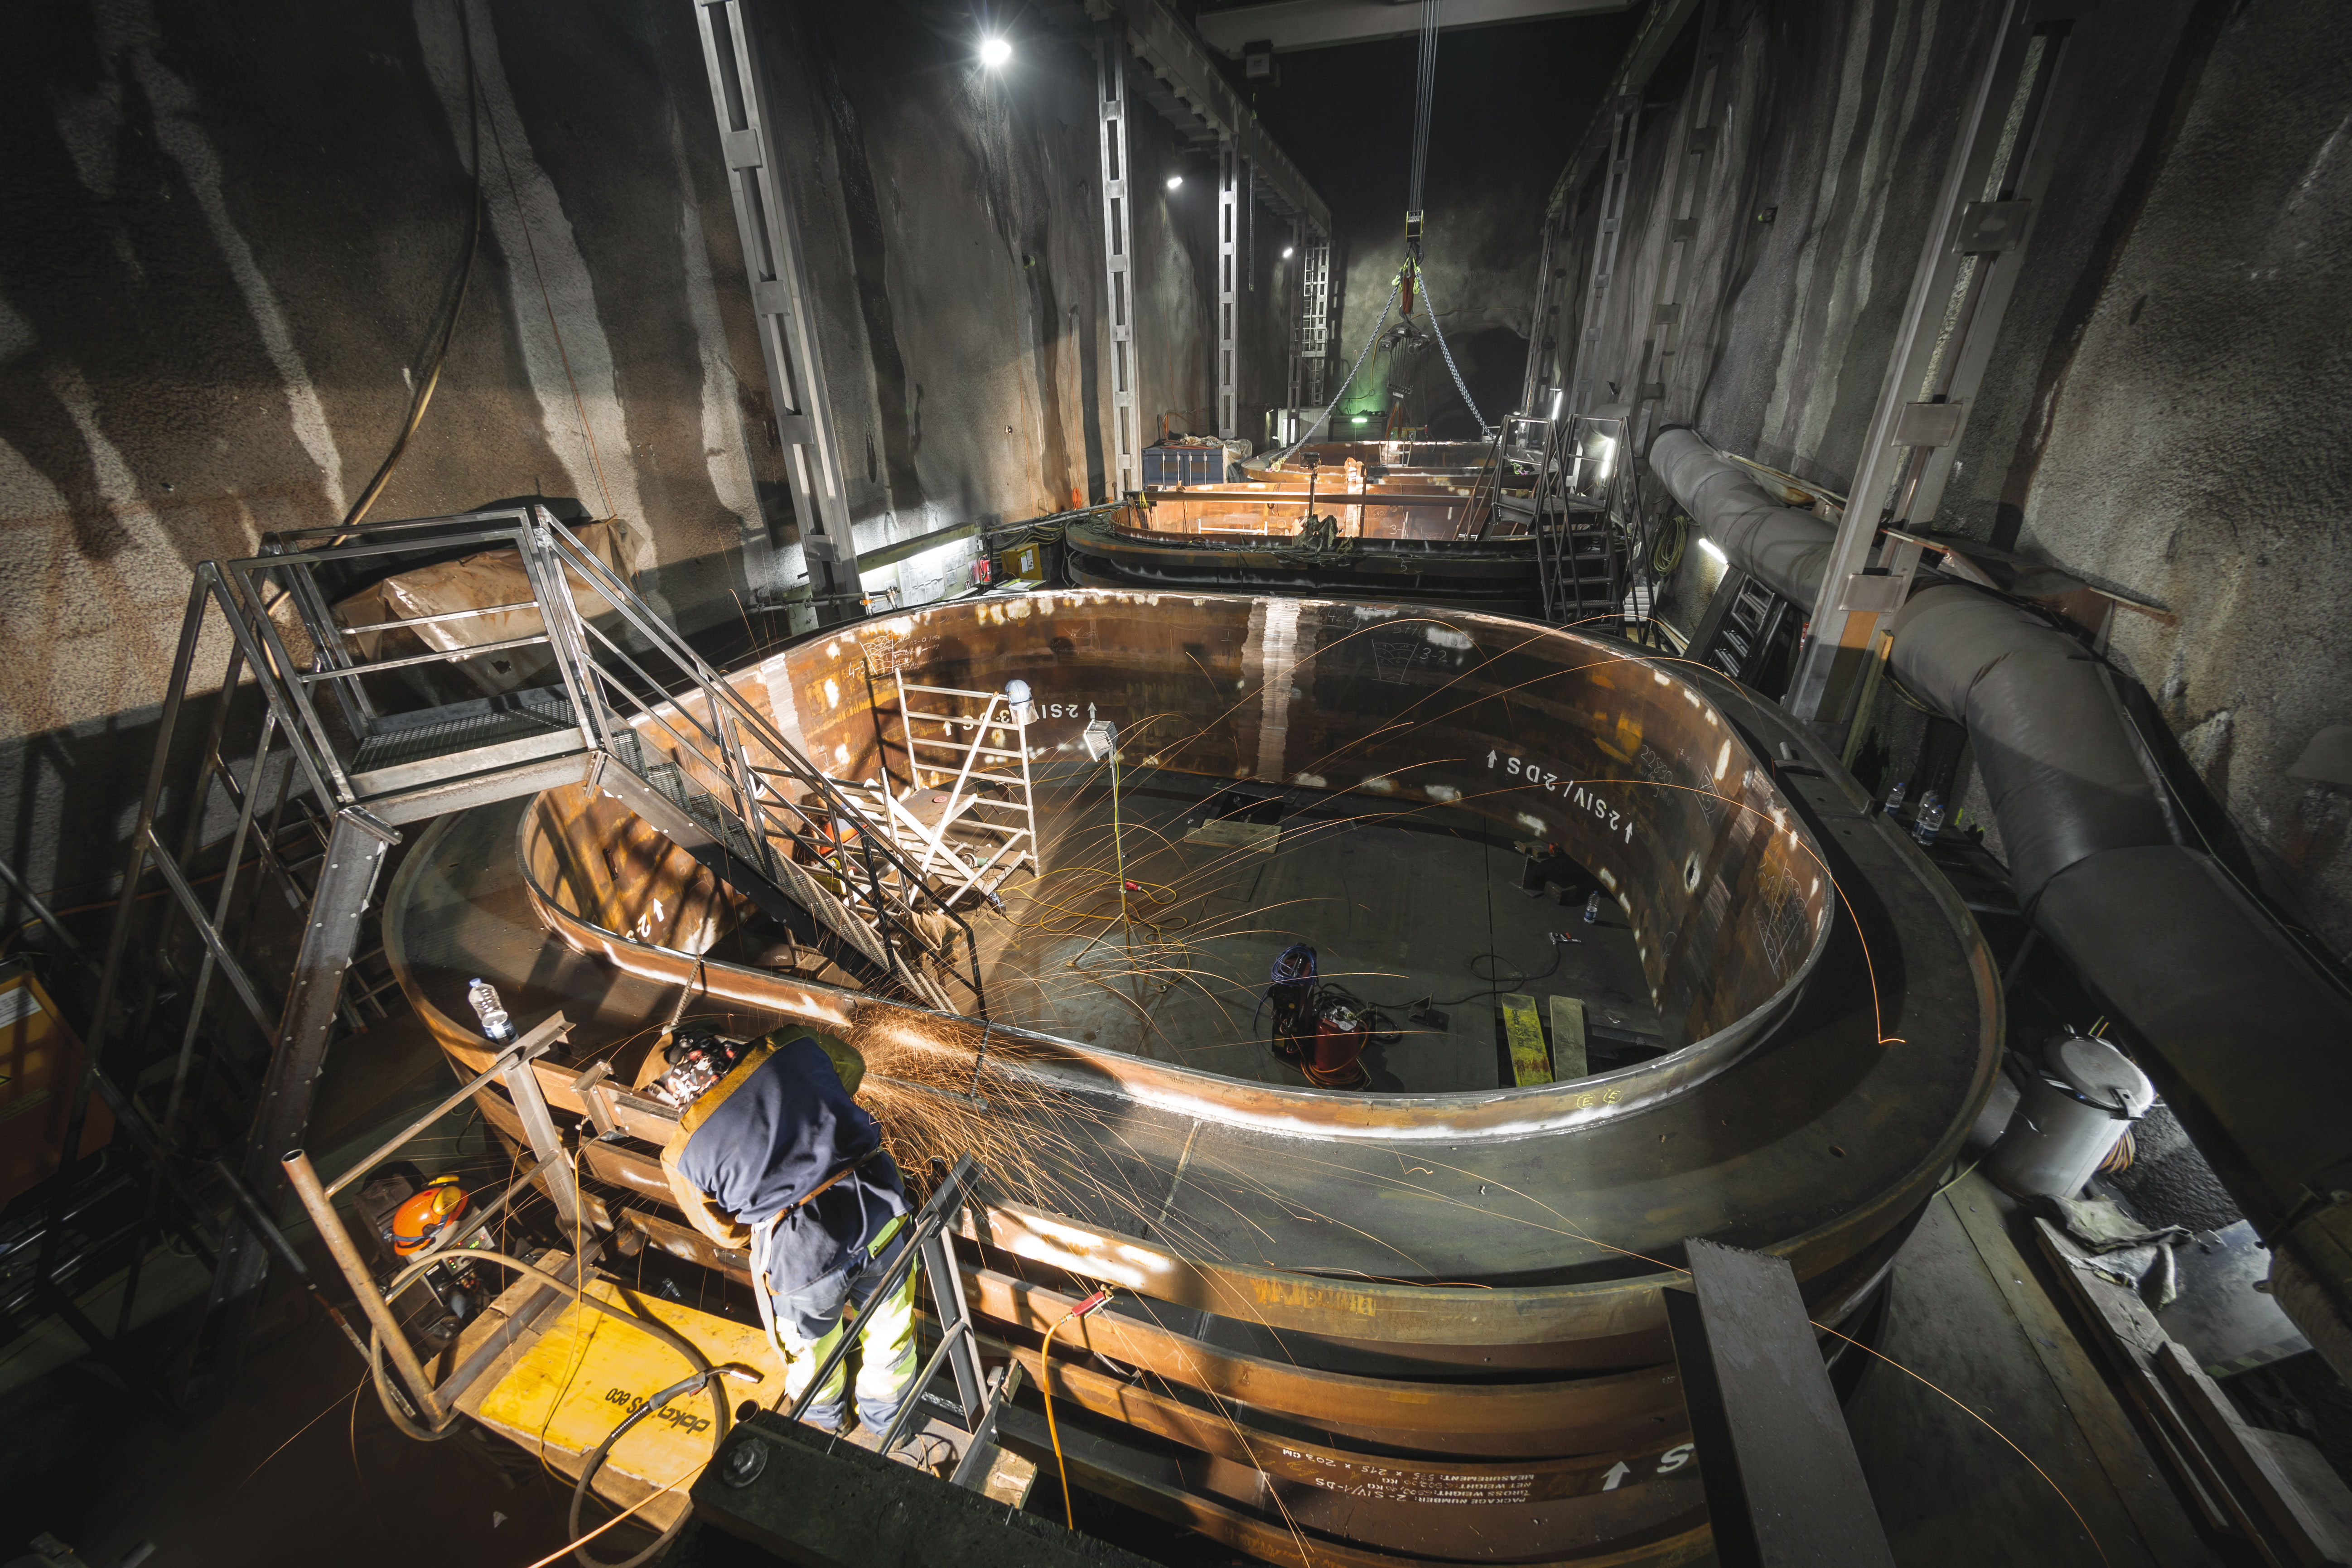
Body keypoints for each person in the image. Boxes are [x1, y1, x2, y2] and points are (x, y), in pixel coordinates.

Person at [658, 1029, 918, 1438]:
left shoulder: (681, 1151)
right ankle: (890, 1426)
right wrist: (817, 1111)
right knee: (892, 1331)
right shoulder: (786, 1043)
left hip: (800, 1261)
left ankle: (827, 1429)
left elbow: (724, 1233)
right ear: (727, 1047)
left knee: (812, 1355)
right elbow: (850, 1067)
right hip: (880, 1209)